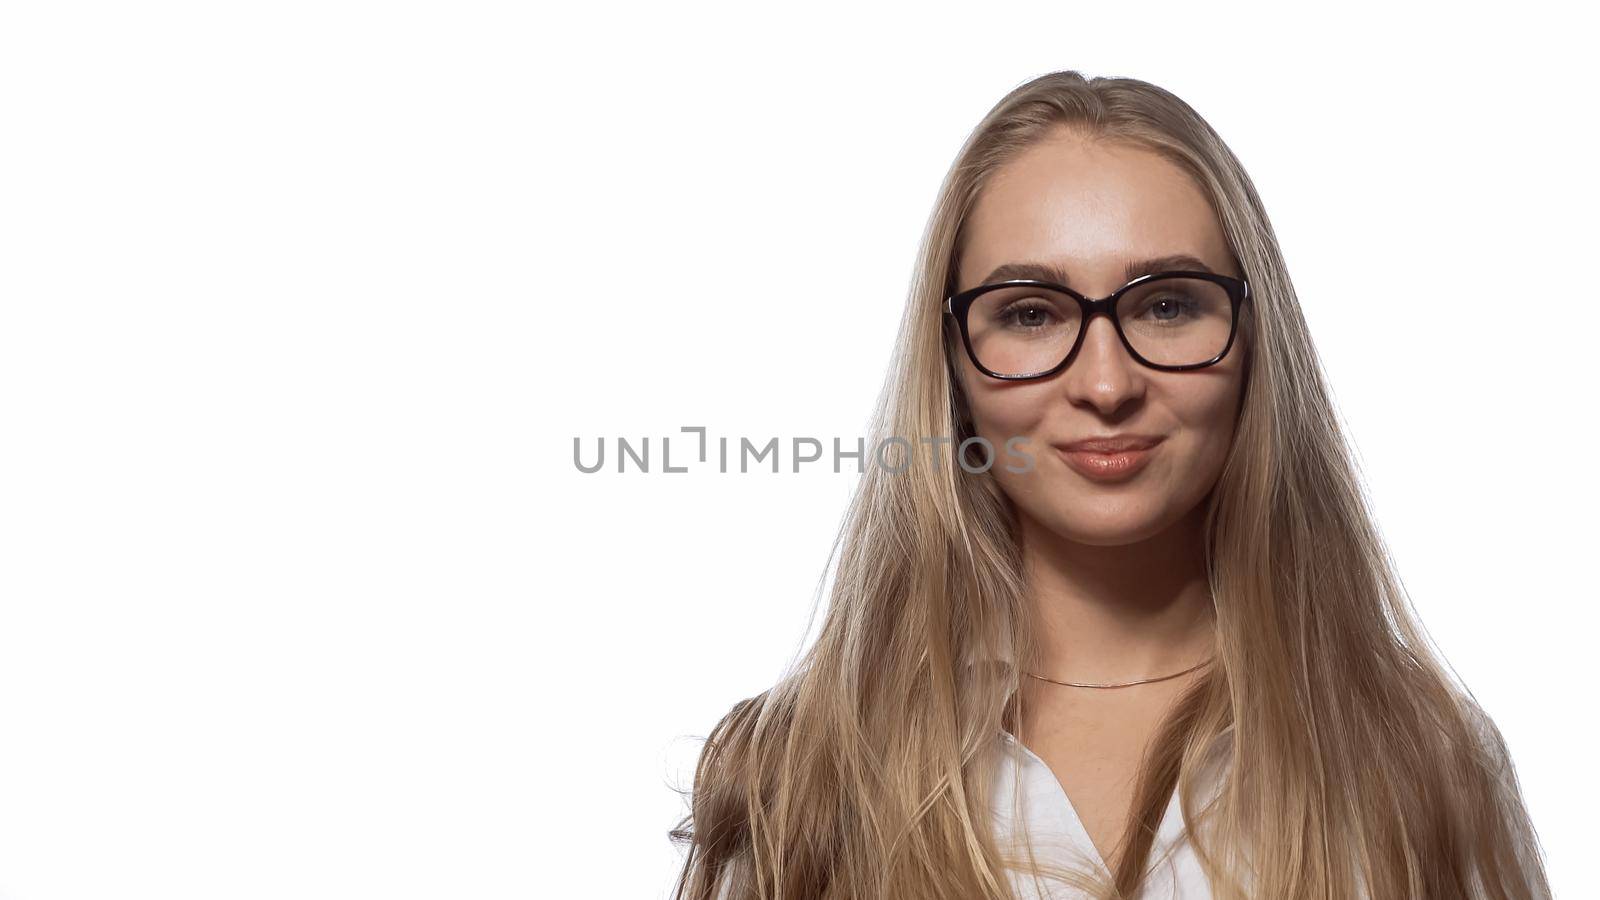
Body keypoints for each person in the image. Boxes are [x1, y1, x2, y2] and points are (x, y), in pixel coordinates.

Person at [667, 70, 1551, 900]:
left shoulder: (1426, 762)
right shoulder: (800, 781)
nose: (1105, 383)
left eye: (1166, 304)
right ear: (952, 366)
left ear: (1251, 339)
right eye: (1029, 313)